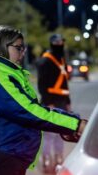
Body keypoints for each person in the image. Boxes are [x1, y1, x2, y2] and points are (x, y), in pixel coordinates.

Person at [0, 25, 87, 175]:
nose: (23, 52)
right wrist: (75, 124)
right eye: (18, 48)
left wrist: (66, 123)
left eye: (23, 48)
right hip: (0, 157)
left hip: (5, 152)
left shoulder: (6, 70)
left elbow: (31, 108)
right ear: (1, 46)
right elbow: (29, 111)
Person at [36, 34, 71, 172]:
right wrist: (48, 102)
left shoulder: (61, 59)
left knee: (62, 132)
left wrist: (68, 101)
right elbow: (41, 85)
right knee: (50, 134)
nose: (61, 44)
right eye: (58, 42)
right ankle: (46, 159)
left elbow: (65, 84)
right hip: (49, 102)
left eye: (62, 41)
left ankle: (58, 158)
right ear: (52, 43)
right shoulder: (45, 60)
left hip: (62, 101)